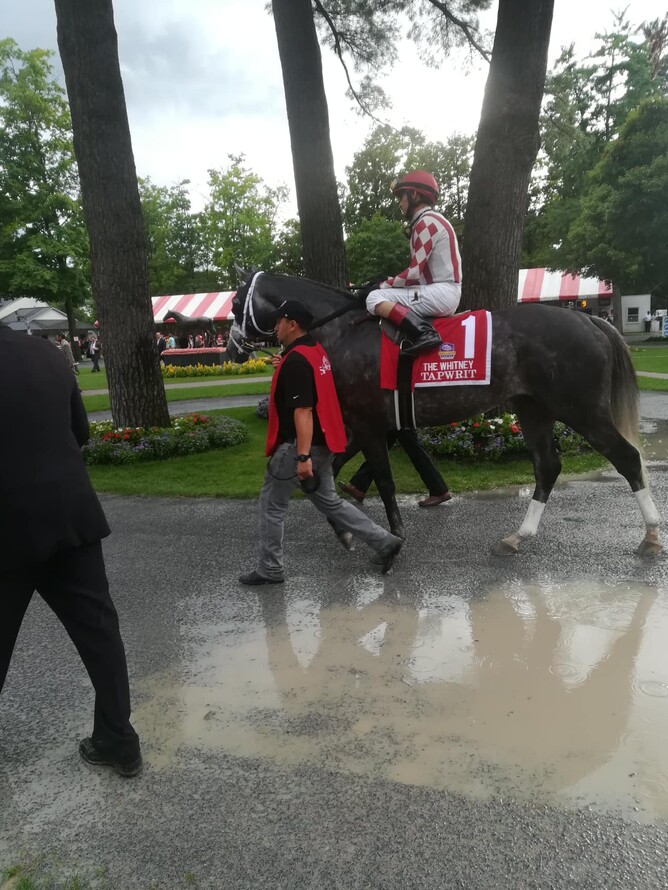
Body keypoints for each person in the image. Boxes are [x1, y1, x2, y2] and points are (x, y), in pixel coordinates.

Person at [0, 325, 142, 777]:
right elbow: (79, 431)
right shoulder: (46, 352)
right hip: (68, 513)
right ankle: (118, 739)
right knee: (99, 631)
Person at [239, 300, 403, 585]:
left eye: (278, 321)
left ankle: (271, 568)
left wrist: (302, 458)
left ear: (292, 324)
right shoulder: (314, 352)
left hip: (299, 449)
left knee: (271, 506)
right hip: (325, 444)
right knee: (331, 503)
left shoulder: (298, 361)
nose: (275, 327)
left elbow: (303, 411)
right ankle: (385, 542)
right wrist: (285, 364)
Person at [365, 170, 462, 357]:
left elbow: (413, 274)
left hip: (442, 292)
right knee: (381, 292)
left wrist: (383, 285)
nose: (400, 204)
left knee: (374, 298)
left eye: (401, 197)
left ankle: (423, 332)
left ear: (414, 194)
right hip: (439, 291)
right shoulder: (426, 221)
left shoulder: (427, 222)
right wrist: (388, 280)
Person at [338, 429, 452, 507]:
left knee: (413, 448)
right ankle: (359, 486)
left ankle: (439, 490)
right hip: (396, 409)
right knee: (381, 447)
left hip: (400, 408)